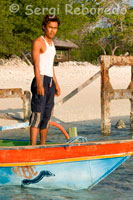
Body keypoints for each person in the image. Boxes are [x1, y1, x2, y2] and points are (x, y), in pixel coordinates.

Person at [30, 15, 61, 145]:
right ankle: (32, 147)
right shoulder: (38, 42)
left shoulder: (52, 44)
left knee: (47, 115)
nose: (52, 30)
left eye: (55, 28)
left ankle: (42, 146)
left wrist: (57, 84)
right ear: (44, 27)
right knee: (38, 114)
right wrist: (39, 84)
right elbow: (36, 65)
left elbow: (50, 66)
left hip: (50, 81)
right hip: (41, 79)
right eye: (50, 27)